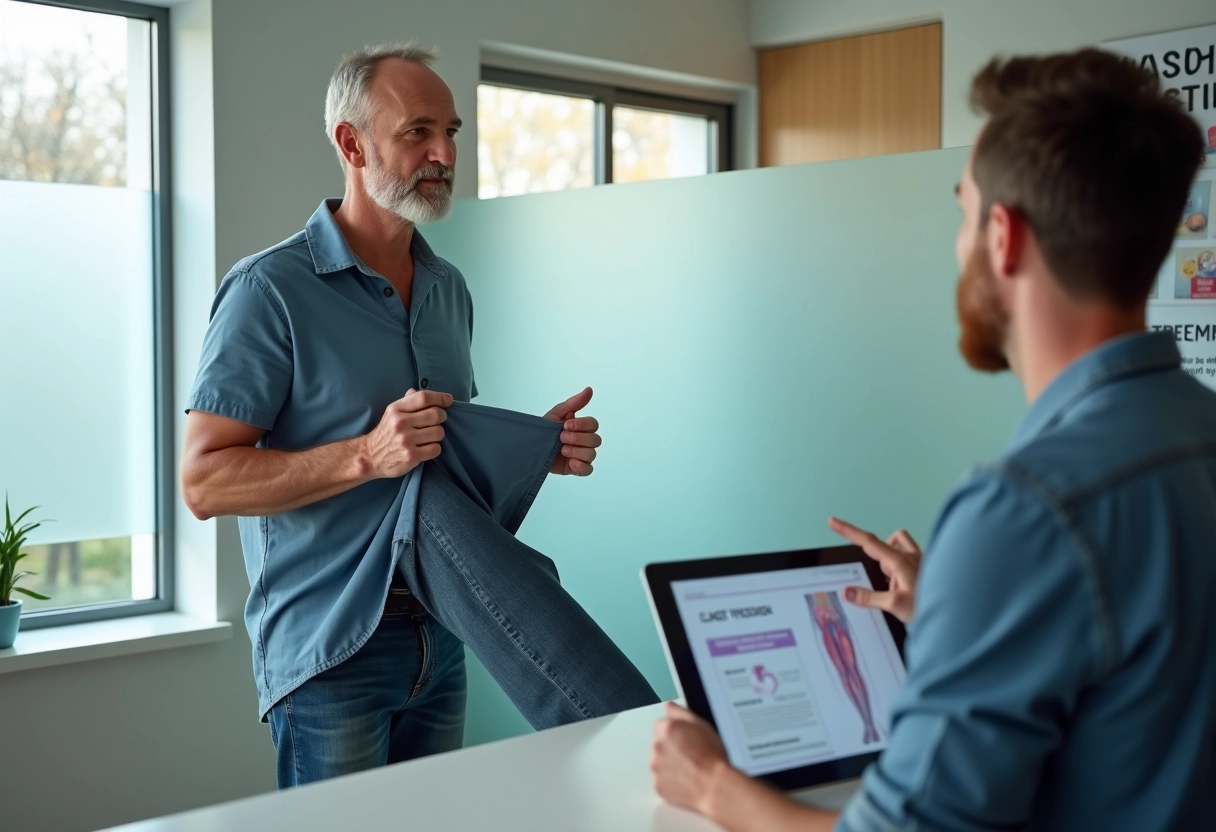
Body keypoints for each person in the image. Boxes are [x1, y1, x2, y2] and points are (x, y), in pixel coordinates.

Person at [652, 48, 1215, 832]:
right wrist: (961, 622)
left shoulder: (1027, 509)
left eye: (963, 212)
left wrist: (712, 784)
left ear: (1003, 239)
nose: (957, 246)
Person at [180, 43, 657, 789]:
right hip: (332, 650)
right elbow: (204, 483)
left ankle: (647, 748)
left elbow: (438, 466)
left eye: (453, 132)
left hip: (443, 638)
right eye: (418, 132)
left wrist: (534, 449)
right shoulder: (269, 291)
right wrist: (366, 454)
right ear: (351, 142)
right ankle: (652, 751)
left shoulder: (448, 290)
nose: (444, 152)